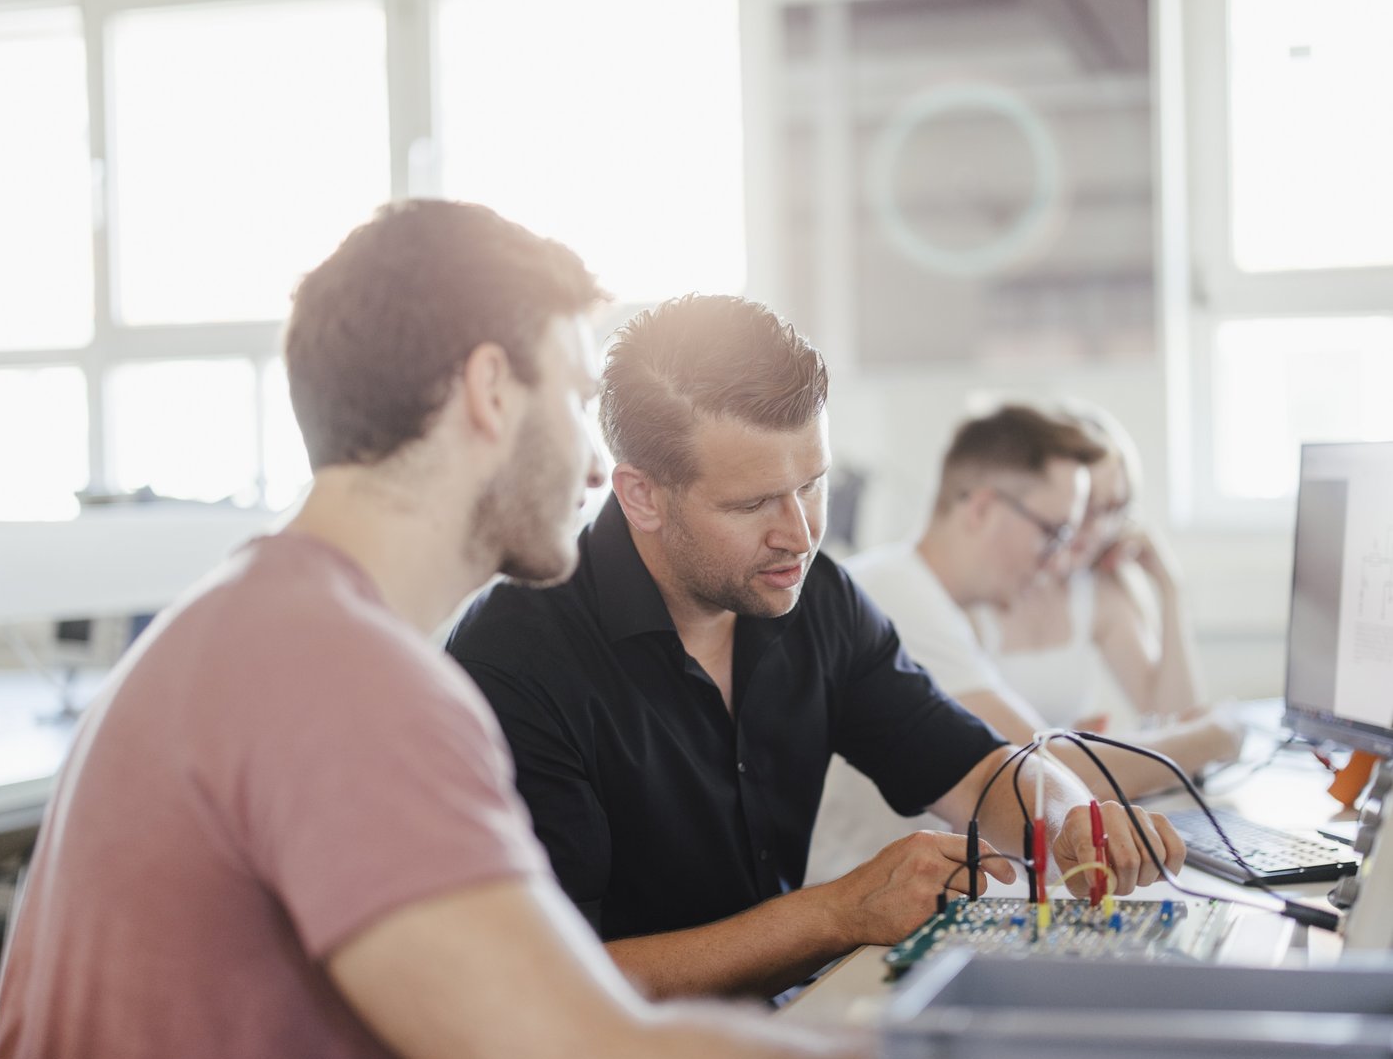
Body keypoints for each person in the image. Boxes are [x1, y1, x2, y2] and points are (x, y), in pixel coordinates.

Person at [0, 201, 885, 1059]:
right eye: (574, 400)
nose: (602, 470)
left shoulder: (258, 624)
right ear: (491, 391)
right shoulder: (342, 679)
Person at [447, 294, 1184, 1004]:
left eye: (813, 484)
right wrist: (838, 913)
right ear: (641, 495)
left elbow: (975, 767)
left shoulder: (814, 596)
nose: (799, 533)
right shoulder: (515, 661)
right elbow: (555, 980)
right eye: (753, 502)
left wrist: (1070, 812)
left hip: (777, 1020)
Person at [847, 404, 1241, 804]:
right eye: (1053, 531)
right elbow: (1046, 776)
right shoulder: (900, 597)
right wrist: (1217, 735)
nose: (1058, 557)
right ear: (982, 509)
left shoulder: (923, 590)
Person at [974, 402, 1208, 731]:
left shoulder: (1097, 590)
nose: (1097, 528)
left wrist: (1170, 588)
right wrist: (1064, 746)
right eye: (1086, 505)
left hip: (1064, 777)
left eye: (1113, 509)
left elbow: (1177, 723)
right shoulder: (975, 590)